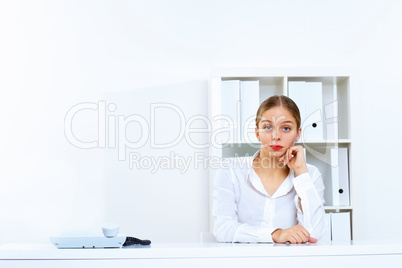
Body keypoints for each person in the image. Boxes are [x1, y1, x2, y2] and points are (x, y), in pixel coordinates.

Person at [212, 95, 327, 244]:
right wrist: (275, 234)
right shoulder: (230, 170)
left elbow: (315, 234)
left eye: (286, 128)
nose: (276, 136)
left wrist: (300, 173)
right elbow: (223, 229)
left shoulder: (310, 174)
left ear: (298, 133)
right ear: (257, 132)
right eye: (267, 127)